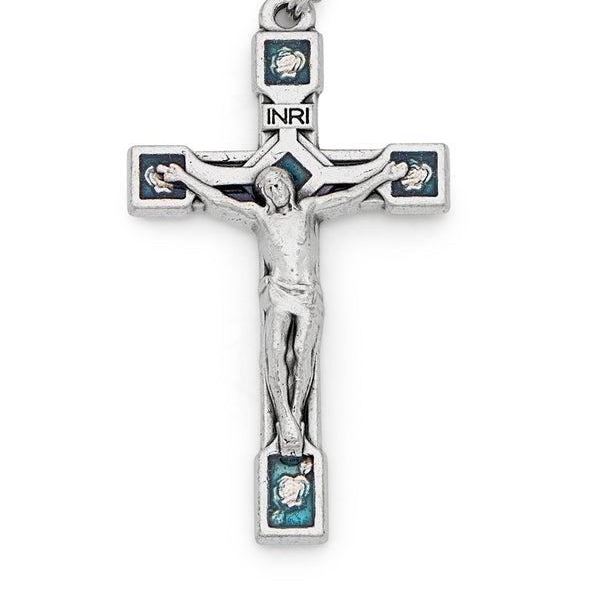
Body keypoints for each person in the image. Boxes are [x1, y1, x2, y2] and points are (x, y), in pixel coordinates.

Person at [154, 155, 408, 455]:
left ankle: (296, 413)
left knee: (302, 351)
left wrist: (383, 176)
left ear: (289, 184)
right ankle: (284, 417)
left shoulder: (309, 210)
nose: (276, 191)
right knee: (275, 351)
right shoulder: (260, 217)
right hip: (277, 290)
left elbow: (348, 197)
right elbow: (218, 200)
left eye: (279, 183)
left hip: (308, 294)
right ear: (264, 195)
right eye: (269, 187)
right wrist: (183, 178)